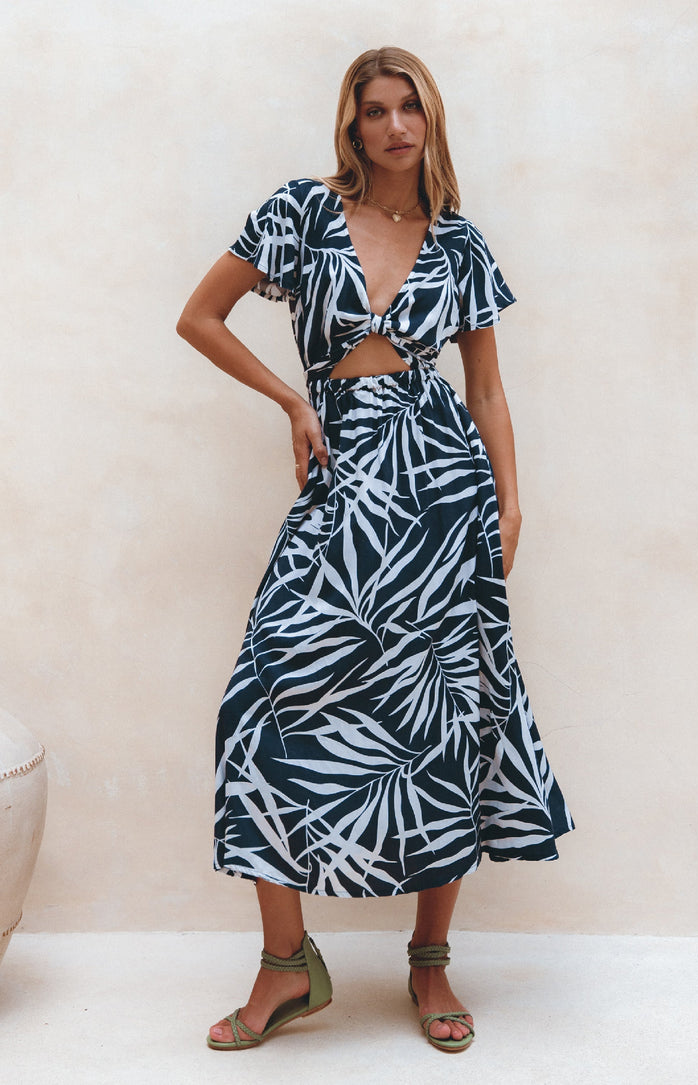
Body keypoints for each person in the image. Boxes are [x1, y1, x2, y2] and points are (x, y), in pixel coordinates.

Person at [177, 46, 574, 1055]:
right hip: (341, 483)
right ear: (351, 125)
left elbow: (487, 390)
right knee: (259, 702)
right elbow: (199, 316)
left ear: (429, 120)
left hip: (441, 489)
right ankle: (286, 965)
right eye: (374, 110)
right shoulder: (302, 212)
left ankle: (429, 960)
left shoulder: (460, 242)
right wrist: (292, 399)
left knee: (443, 714)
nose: (394, 126)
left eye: (409, 108)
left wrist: (512, 504)